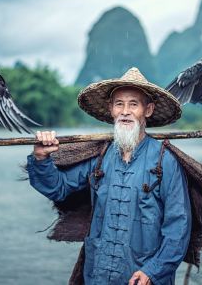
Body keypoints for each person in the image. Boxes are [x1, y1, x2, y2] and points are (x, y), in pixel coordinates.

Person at [26, 67, 191, 285]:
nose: (125, 111)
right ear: (111, 109)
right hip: (98, 273)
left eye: (134, 104)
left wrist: (153, 271)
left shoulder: (164, 162)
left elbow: (178, 227)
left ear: (147, 110)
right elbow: (59, 187)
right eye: (119, 104)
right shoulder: (100, 157)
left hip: (141, 276)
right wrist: (40, 158)